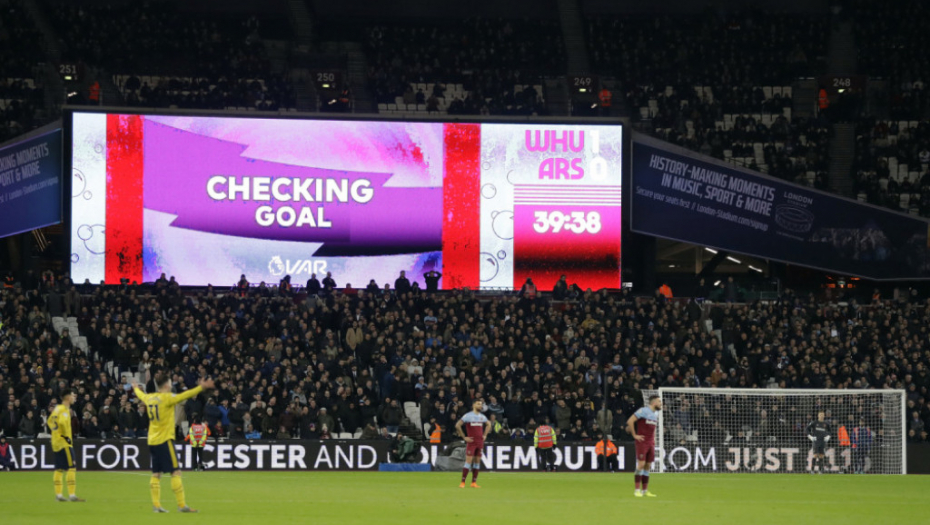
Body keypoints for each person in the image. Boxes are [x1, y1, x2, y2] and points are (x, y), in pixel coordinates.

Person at [134, 374, 214, 513]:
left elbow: (141, 395)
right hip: (164, 440)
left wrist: (135, 388)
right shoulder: (167, 398)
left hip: (152, 440)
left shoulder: (150, 397)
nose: (171, 385)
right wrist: (201, 387)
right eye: (170, 383)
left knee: (156, 473)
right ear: (166, 385)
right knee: (176, 471)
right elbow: (185, 395)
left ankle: (156, 505)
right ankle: (181, 505)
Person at [48, 389, 84, 502]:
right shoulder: (64, 410)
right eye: (73, 395)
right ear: (68, 397)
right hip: (64, 443)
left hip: (56, 443)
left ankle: (58, 495)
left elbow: (50, 421)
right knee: (71, 468)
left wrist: (56, 434)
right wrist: (65, 436)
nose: (74, 397)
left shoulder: (57, 408)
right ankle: (72, 495)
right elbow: (62, 422)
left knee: (59, 469)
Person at [627, 395, 661, 497]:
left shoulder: (655, 414)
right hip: (642, 441)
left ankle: (645, 491)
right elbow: (630, 421)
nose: (661, 404)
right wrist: (634, 435)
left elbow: (652, 428)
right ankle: (637, 490)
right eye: (659, 401)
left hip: (650, 442)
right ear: (654, 403)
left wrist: (654, 439)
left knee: (647, 466)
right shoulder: (643, 411)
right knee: (641, 465)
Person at [455, 400, 490, 488]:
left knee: (477, 462)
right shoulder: (468, 416)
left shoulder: (482, 416)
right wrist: (464, 437)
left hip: (480, 442)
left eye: (481, 404)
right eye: (478, 404)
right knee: (468, 461)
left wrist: (485, 435)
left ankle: (473, 482)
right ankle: (463, 482)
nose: (480, 406)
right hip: (472, 442)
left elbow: (489, 424)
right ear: (473, 405)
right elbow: (457, 425)